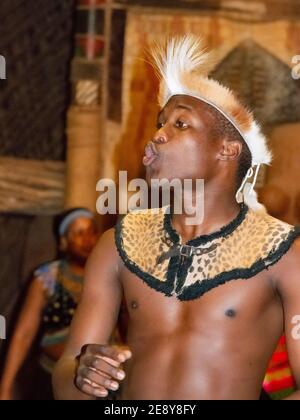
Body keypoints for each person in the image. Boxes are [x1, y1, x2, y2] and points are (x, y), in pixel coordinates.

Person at [53, 36, 300, 400]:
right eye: (159, 123)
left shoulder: (284, 254)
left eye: (180, 124)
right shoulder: (118, 244)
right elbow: (65, 378)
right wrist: (83, 374)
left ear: (228, 149)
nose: (157, 136)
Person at [0, 208, 98, 400]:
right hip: (50, 381)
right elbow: (24, 334)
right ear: (63, 242)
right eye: (78, 233)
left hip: (98, 384)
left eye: (90, 231)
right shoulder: (48, 277)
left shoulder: (106, 276)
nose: (87, 239)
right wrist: (5, 388)